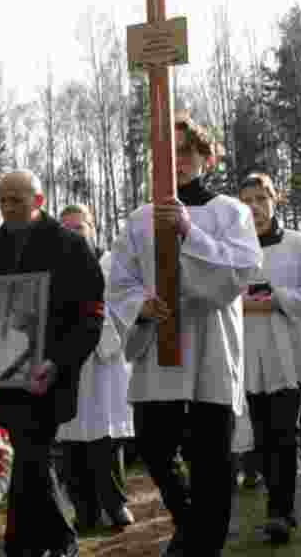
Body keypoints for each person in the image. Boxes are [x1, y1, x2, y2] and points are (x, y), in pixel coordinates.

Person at [107, 117, 263, 557]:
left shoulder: (229, 211)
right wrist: (140, 304)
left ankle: (203, 546)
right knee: (155, 447)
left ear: (205, 157)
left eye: (183, 151)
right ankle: (189, 523)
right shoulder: (138, 220)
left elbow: (238, 271)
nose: (173, 161)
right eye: (164, 152)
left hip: (211, 348)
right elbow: (120, 281)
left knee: (212, 461)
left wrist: (189, 233)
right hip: (159, 350)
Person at [0, 170, 104, 557]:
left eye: (16, 200)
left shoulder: (71, 247)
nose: (7, 208)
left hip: (49, 373)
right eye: (2, 200)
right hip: (3, 372)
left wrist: (58, 362)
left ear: (38, 200)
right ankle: (43, 541)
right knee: (30, 452)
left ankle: (38, 541)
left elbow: (91, 317)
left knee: (32, 449)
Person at [238, 172, 301, 544]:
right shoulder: (234, 249)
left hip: (286, 354)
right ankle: (275, 505)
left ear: (274, 199)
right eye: (246, 202)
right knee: (262, 437)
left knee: (283, 433)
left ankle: (281, 513)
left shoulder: (298, 244)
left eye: (260, 199)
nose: (255, 208)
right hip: (248, 355)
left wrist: (281, 299)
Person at [55, 203, 135, 533]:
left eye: (79, 227)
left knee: (105, 438)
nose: (73, 234)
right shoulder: (52, 269)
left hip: (104, 360)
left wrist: (99, 332)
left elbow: (129, 304)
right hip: (68, 365)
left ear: (92, 227)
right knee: (71, 441)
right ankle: (84, 509)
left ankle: (114, 504)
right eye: (66, 229)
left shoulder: (112, 264)